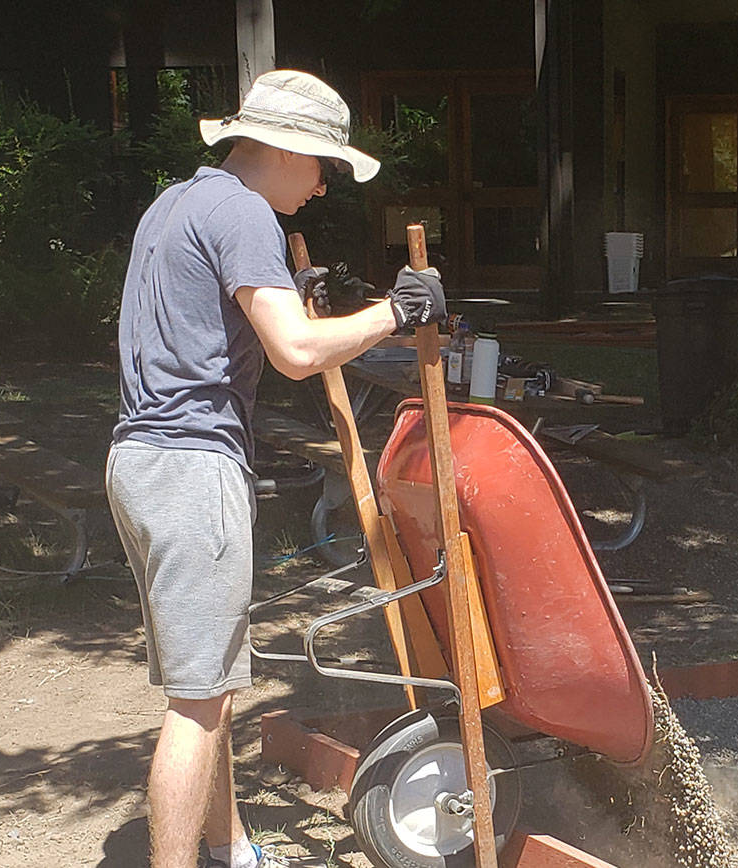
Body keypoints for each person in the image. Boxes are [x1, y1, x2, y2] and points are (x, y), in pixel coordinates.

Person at [105, 69, 446, 868]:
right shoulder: (245, 213)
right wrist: (395, 314)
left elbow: (212, 319)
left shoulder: (178, 203)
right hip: (194, 467)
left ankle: (229, 850)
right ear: (287, 148)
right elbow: (294, 352)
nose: (325, 184)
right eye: (324, 163)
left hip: (137, 460)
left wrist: (291, 290)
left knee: (211, 683)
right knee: (198, 704)